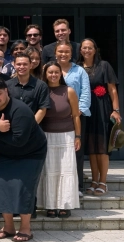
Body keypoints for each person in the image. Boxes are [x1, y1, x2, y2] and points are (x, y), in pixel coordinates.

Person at [0, 79, 47, 242]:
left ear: (6, 92)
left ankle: (26, 228)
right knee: (1, 184)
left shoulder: (20, 110)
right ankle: (8, 227)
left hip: (31, 153)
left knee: (23, 187)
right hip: (7, 154)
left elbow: (19, 141)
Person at [36, 61, 81, 218]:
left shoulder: (69, 91)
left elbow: (76, 115)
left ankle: (64, 205)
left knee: (65, 171)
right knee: (49, 171)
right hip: (46, 135)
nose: (53, 75)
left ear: (60, 74)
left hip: (66, 136)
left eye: (56, 72)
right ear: (45, 74)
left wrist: (77, 136)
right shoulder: (41, 90)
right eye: (50, 72)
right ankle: (49, 205)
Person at [79, 38, 120, 196]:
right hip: (86, 110)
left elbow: (113, 90)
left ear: (95, 50)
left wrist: (116, 110)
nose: (87, 50)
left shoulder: (104, 66)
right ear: (80, 50)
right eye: (84, 48)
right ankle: (94, 181)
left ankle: (103, 182)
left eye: (90, 47)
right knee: (91, 147)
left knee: (102, 147)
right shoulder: (78, 67)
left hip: (102, 108)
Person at [55, 41, 91, 197]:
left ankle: (77, 186)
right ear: (55, 53)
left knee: (76, 151)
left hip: (76, 118)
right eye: (60, 52)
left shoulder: (80, 71)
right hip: (54, 119)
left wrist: (78, 112)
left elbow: (85, 93)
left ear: (72, 54)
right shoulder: (50, 69)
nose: (63, 54)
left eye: (66, 52)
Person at [6, 53, 50, 123]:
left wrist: (30, 126)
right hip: (12, 128)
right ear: (14, 65)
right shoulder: (7, 85)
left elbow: (42, 109)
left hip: (33, 129)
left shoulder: (41, 85)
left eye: (25, 64)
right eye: (19, 64)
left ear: (30, 65)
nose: (22, 67)